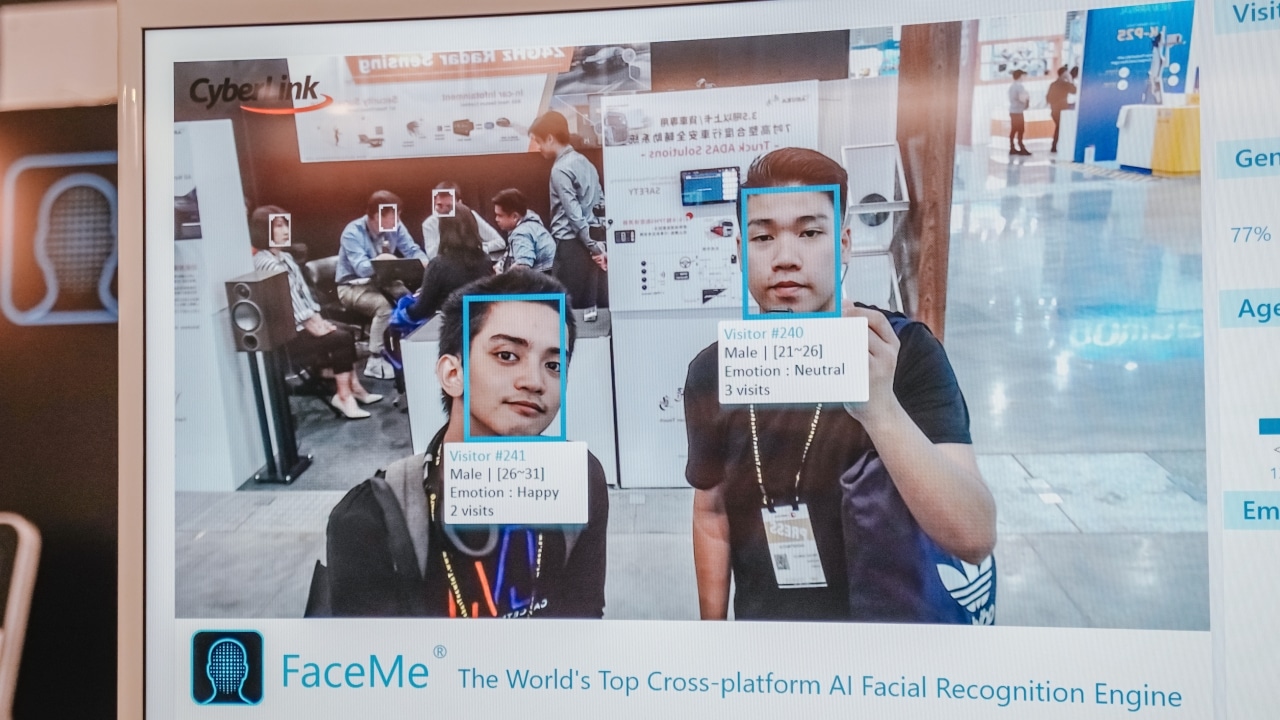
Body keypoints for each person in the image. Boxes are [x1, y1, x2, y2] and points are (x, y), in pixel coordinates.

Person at [683, 148, 996, 621]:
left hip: (888, 631)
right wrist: (713, 632)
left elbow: (973, 536)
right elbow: (712, 511)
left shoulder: (902, 351)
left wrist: (880, 408)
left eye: (810, 233)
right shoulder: (714, 370)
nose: (786, 258)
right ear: (741, 251)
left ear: (844, 243)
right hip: (767, 631)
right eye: (763, 237)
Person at [324, 269, 609, 617]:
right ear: (452, 374)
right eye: (507, 355)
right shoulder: (369, 518)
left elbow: (583, 618)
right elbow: (375, 652)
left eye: (553, 364)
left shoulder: (581, 480)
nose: (535, 381)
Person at [249, 205, 382, 419]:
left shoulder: (286, 258)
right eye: (278, 226)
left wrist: (317, 318)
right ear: (264, 230)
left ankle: (354, 388)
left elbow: (303, 293)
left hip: (301, 323)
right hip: (286, 333)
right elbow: (288, 301)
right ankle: (344, 396)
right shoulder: (266, 263)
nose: (285, 230)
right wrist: (310, 322)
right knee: (340, 338)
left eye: (285, 225)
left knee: (345, 331)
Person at [335, 190, 428, 379]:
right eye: (395, 215)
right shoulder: (352, 232)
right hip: (352, 286)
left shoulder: (396, 226)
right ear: (378, 216)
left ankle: (403, 349)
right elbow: (361, 268)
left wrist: (425, 263)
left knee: (409, 301)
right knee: (384, 307)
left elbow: (411, 250)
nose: (398, 220)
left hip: (383, 281)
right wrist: (383, 259)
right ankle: (375, 359)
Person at [529, 111, 608, 315]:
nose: (538, 147)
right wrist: (598, 245)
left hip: (570, 248)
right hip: (591, 243)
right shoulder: (585, 162)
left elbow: (575, 216)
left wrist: (594, 248)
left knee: (567, 313)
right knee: (590, 311)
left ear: (550, 138)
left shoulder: (560, 169)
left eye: (538, 141)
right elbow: (601, 203)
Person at [405, 202, 496, 322]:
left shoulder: (438, 265)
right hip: (478, 327)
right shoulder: (486, 261)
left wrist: (402, 299)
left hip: (447, 329)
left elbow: (419, 311)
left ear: (443, 229)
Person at [421, 181, 507, 260]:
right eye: (440, 205)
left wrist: (477, 249)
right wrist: (444, 226)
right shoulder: (429, 224)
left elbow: (499, 242)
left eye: (449, 206)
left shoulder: (471, 216)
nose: (444, 210)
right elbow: (432, 255)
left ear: (459, 203)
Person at [492, 188, 556, 273]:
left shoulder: (521, 233)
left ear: (515, 216)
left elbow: (523, 266)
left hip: (540, 278)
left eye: (500, 215)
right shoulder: (531, 225)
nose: (496, 219)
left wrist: (503, 277)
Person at [1046, 65, 1077, 154]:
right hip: (1061, 110)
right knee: (1060, 128)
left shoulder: (1053, 84)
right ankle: (1056, 146)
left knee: (1059, 128)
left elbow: (1048, 98)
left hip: (1054, 110)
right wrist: (1070, 80)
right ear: (1064, 74)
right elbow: (1075, 91)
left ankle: (1054, 146)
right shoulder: (1065, 84)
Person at [1008, 69, 1031, 156]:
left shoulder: (1012, 87)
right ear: (1020, 76)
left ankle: (1012, 147)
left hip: (1013, 111)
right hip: (1018, 112)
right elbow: (1022, 98)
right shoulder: (1019, 87)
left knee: (1014, 130)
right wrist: (1027, 99)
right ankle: (1021, 147)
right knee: (1020, 130)